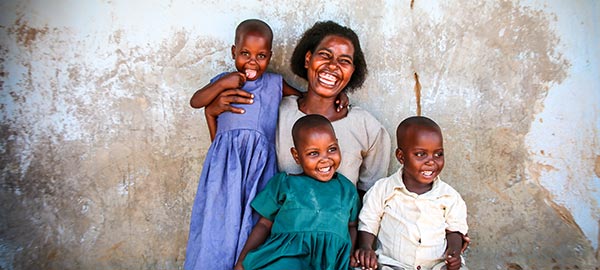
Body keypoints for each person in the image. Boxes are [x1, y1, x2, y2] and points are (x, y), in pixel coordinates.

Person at [184, 19, 301, 270]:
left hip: (260, 169)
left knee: (253, 223)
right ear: (233, 52)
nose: (252, 61)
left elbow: (304, 97)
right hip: (225, 167)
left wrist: (339, 98)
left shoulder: (274, 84)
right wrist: (222, 83)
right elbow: (196, 102)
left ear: (269, 56)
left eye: (261, 55)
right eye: (245, 53)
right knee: (218, 223)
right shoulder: (223, 81)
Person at [275, 20, 391, 197]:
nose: (332, 66)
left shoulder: (367, 128)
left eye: (344, 61)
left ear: (352, 71)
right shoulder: (279, 113)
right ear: (308, 59)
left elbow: (370, 199)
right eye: (325, 55)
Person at [234, 114, 360, 269]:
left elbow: (352, 227)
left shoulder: (347, 189)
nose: (325, 159)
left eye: (332, 149)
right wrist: (242, 261)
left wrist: (349, 255)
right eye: (314, 153)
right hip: (288, 257)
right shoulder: (285, 183)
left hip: (330, 262)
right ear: (296, 156)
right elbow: (264, 224)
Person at [353, 116, 469, 270]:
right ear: (401, 157)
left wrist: (454, 253)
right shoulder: (382, 189)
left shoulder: (449, 196)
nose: (431, 161)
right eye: (421, 154)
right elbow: (369, 221)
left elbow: (455, 229)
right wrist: (366, 247)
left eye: (438, 154)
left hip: (437, 266)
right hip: (392, 265)